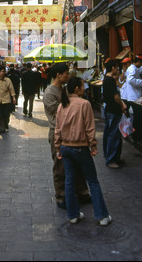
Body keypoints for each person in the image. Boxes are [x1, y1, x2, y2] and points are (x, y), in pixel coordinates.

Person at [54, 77, 111, 225]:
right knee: (92, 181)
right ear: (77, 89)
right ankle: (102, 216)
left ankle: (73, 215)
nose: (84, 87)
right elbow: (89, 128)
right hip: (80, 147)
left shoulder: (62, 105)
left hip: (65, 147)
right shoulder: (84, 104)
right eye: (82, 85)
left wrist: (58, 146)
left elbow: (57, 129)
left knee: (69, 181)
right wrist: (93, 145)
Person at [43, 62, 91, 209]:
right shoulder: (50, 92)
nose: (68, 76)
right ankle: (61, 196)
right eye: (66, 73)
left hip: (71, 132)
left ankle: (81, 192)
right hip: (57, 132)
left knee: (78, 164)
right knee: (60, 166)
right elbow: (60, 113)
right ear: (58, 75)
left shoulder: (64, 90)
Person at [103, 59, 127, 168]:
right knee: (113, 135)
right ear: (113, 67)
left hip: (110, 110)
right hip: (113, 110)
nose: (117, 69)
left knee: (111, 134)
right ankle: (111, 159)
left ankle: (113, 156)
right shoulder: (109, 80)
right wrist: (122, 105)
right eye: (116, 67)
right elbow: (116, 97)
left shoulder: (108, 79)